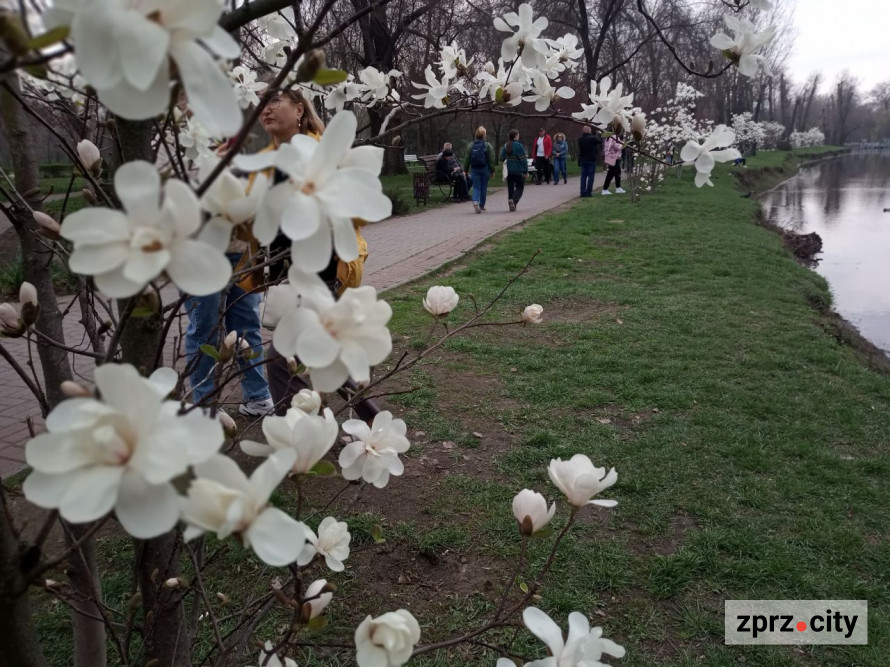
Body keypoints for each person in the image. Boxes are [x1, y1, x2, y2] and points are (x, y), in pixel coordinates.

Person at [244, 89, 377, 420]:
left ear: (299, 108)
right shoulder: (268, 162)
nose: (267, 108)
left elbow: (356, 211)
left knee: (278, 358)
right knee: (318, 353)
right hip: (287, 277)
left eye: (275, 100)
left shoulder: (324, 152)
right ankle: (365, 412)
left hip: (322, 274)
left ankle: (300, 427)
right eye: (261, 102)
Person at [464, 126, 495, 213]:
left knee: (476, 187)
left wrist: (465, 170)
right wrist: (492, 170)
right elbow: (491, 159)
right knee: (483, 188)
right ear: (484, 135)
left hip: (474, 169)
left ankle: (475, 201)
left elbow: (467, 158)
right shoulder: (487, 145)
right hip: (485, 169)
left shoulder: (471, 145)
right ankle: (481, 206)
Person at [500, 129, 528, 211]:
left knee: (510, 188)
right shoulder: (519, 146)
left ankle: (511, 203)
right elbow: (523, 159)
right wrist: (525, 171)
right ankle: (514, 200)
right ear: (515, 136)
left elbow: (501, 158)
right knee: (520, 187)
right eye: (518, 135)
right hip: (518, 170)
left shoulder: (506, 145)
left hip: (509, 171)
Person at [577, 125, 601, 197]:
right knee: (591, 176)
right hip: (591, 159)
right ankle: (589, 192)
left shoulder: (580, 139)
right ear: (589, 131)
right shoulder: (592, 138)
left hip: (583, 159)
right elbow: (600, 141)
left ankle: (582, 191)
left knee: (583, 176)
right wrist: (598, 134)